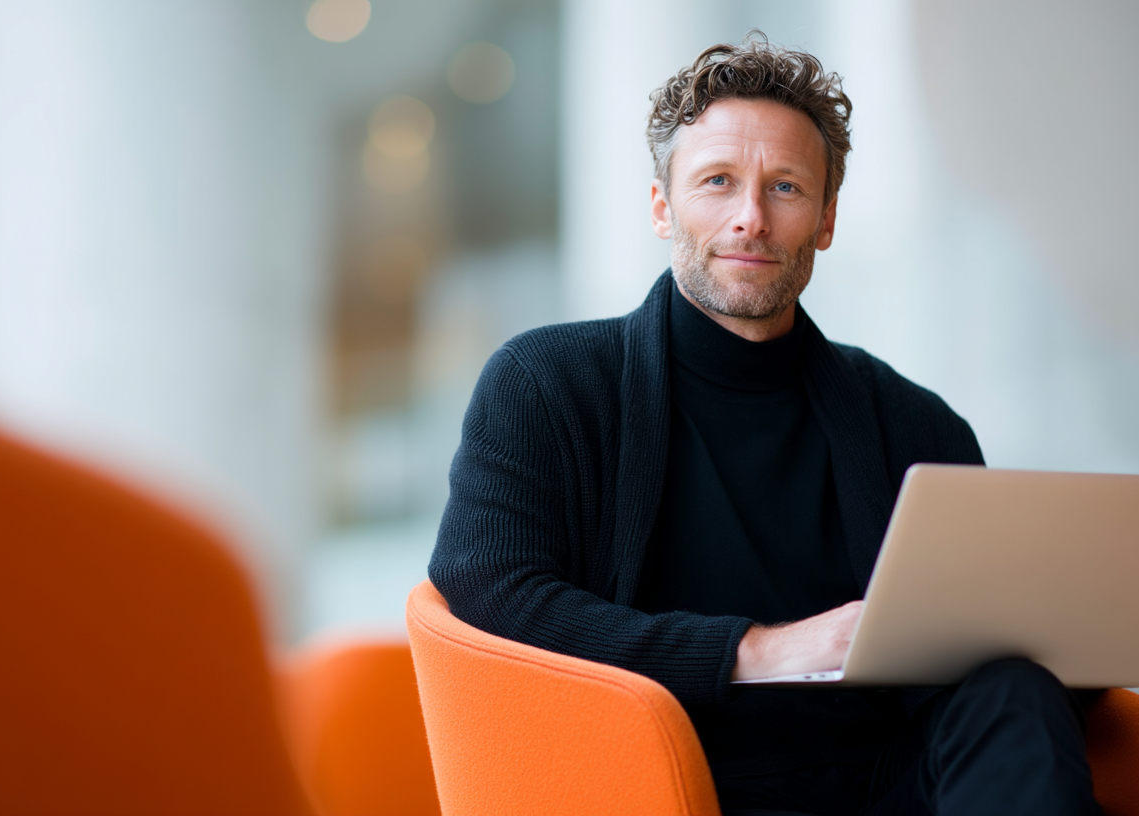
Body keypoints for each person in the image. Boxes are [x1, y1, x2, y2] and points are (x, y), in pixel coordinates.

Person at [429, 35, 1103, 816]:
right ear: (662, 207)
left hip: (892, 785)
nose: (751, 219)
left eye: (785, 188)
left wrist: (1065, 649)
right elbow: (493, 592)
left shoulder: (914, 423)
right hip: (672, 783)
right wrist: (758, 651)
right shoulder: (546, 384)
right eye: (718, 181)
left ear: (826, 219)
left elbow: (978, 653)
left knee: (1014, 691)